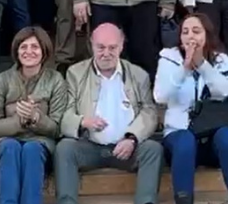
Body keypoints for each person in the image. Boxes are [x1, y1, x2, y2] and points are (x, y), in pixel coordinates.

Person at [55, 23, 163, 204]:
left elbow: (149, 111)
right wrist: (82, 121)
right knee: (64, 148)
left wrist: (132, 138)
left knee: (153, 149)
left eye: (112, 47)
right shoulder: (75, 73)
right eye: (101, 47)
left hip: (127, 150)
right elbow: (64, 113)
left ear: (121, 46)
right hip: (89, 147)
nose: (106, 53)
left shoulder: (138, 75)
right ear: (91, 46)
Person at [154, 12, 228, 204]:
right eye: (185, 32)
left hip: (210, 134)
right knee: (185, 141)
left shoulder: (222, 60)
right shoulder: (168, 58)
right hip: (180, 137)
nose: (190, 36)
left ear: (207, 35)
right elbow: (160, 96)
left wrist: (202, 65)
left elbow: (224, 90)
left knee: (227, 136)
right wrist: (184, 69)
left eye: (196, 31)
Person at [0, 27, 70, 204]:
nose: (29, 52)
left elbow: (57, 128)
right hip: (6, 141)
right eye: (23, 47)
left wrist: (36, 118)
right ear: (16, 51)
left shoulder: (56, 80)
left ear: (44, 51)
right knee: (10, 146)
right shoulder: (2, 79)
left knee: (31, 149)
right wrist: (19, 120)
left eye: (35, 47)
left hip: (41, 143)